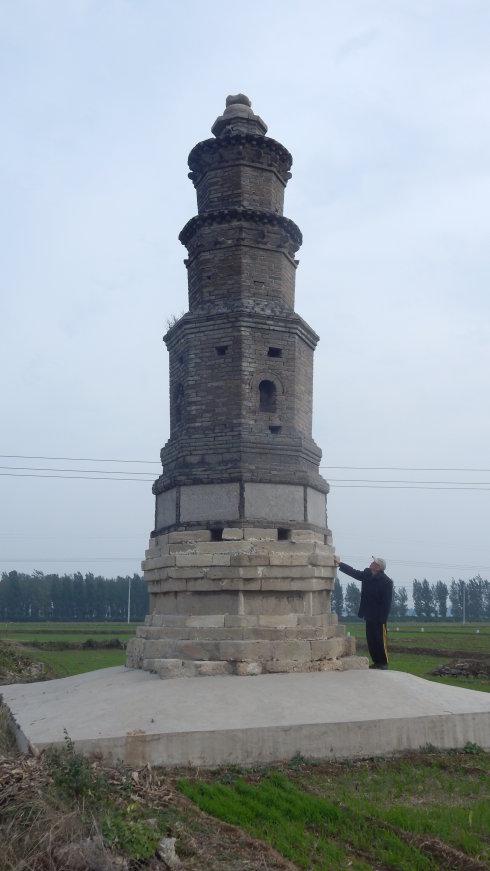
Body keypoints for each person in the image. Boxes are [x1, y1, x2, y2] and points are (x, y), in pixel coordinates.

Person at [333, 555, 393, 669]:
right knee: (371, 640)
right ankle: (376, 662)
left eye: (374, 563)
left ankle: (383, 663)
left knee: (380, 640)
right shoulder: (367, 574)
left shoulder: (386, 582)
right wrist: (340, 564)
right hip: (369, 614)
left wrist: (383, 619)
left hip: (379, 617)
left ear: (378, 567)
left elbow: (387, 603)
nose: (371, 563)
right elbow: (354, 572)